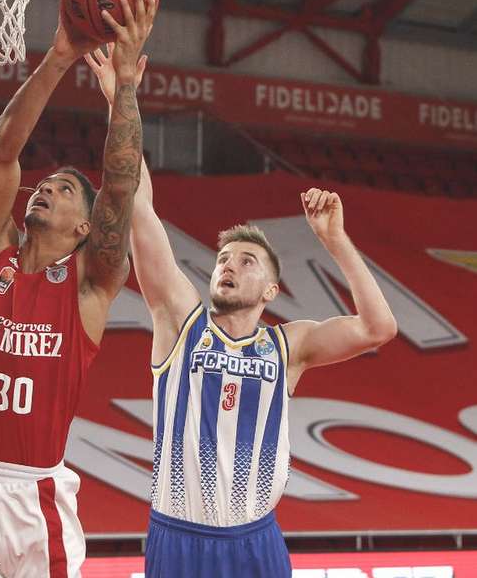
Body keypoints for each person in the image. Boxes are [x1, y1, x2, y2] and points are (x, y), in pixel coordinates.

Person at [84, 45, 398, 578]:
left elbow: (378, 329)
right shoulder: (180, 320)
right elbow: (138, 203)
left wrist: (337, 242)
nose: (228, 265)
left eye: (246, 260)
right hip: (179, 536)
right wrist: (121, 100)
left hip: (256, 539)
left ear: (271, 289)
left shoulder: (288, 345)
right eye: (224, 258)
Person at [0, 0, 156, 578]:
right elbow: (0, 156)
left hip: (37, 496)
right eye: (45, 182)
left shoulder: (89, 287)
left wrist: (125, 87)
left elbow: (122, 186)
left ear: (85, 225)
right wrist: (59, 57)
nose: (45, 188)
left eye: (63, 188)